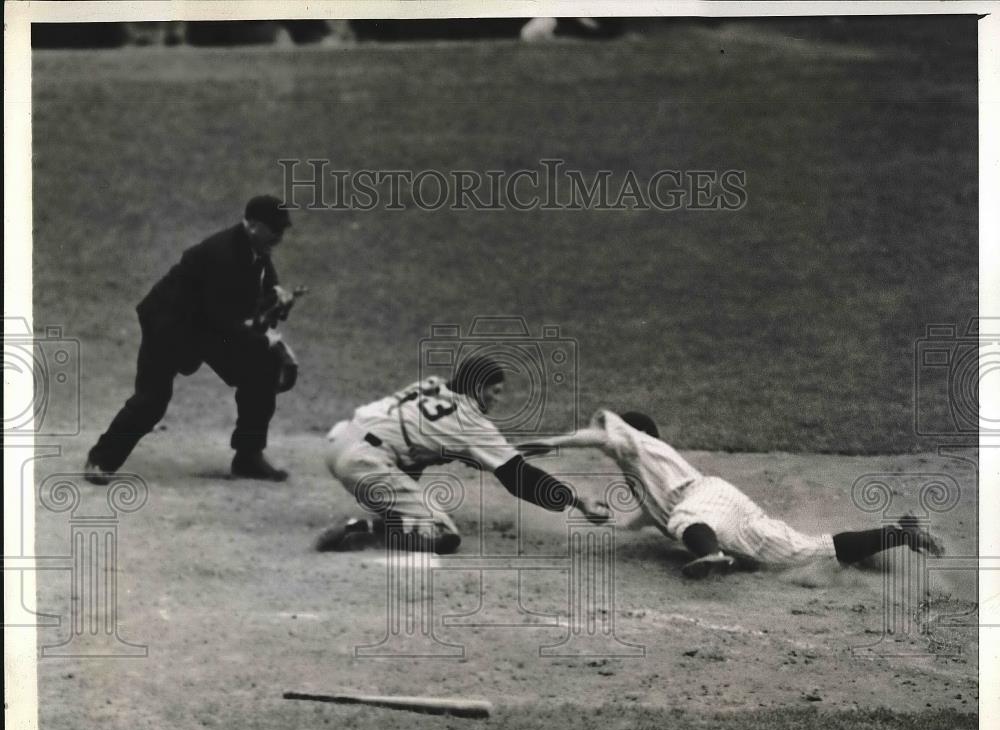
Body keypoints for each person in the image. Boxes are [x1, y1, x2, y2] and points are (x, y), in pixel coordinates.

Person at [519, 410, 945, 578]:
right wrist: (612, 523)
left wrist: (536, 444)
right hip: (726, 503)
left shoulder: (638, 443)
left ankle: (709, 555)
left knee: (683, 522)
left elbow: (592, 434)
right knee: (808, 552)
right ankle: (899, 533)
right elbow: (648, 517)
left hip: (704, 502)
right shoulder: (648, 475)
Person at [85, 195, 297, 484]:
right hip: (169, 326)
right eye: (276, 230)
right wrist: (269, 340)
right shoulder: (221, 253)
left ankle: (248, 456)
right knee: (152, 400)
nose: (280, 237)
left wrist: (278, 298)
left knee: (262, 367)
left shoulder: (256, 248)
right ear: (254, 226)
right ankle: (101, 459)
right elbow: (221, 320)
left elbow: (262, 286)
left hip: (207, 327)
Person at [315, 355, 609, 555]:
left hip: (339, 440)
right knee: (443, 536)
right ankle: (364, 530)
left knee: (415, 455)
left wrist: (503, 452)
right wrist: (576, 500)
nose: (497, 399)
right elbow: (519, 479)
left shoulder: (430, 385)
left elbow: (466, 453)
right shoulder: (471, 423)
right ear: (478, 389)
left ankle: (399, 510)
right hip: (364, 464)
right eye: (495, 391)